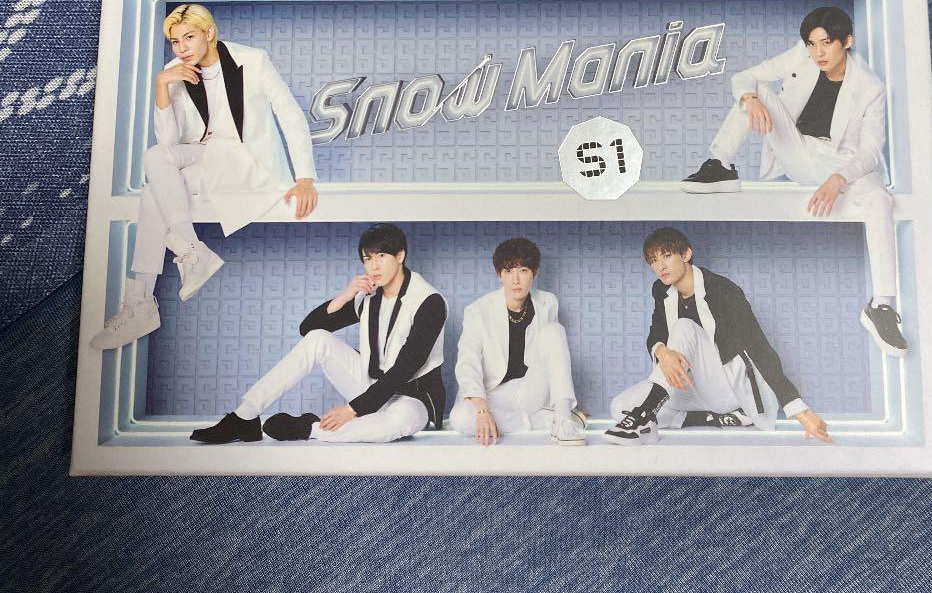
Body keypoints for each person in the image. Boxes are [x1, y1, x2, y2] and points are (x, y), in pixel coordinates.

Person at [680, 6, 906, 356]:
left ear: (847, 41)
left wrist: (838, 178)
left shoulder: (870, 87)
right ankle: (720, 164)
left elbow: (872, 151)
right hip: (798, 149)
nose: (818, 52)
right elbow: (745, 76)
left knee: (880, 200)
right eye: (812, 44)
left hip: (843, 163)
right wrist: (751, 99)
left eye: (826, 43)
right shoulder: (803, 57)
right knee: (754, 89)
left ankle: (882, 306)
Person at [91, 3, 318, 350]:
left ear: (209, 33)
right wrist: (162, 86)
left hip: (246, 163)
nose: (181, 48)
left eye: (189, 37)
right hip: (203, 157)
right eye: (174, 41)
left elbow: (290, 114)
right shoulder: (174, 71)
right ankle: (190, 252)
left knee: (152, 192)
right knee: (155, 157)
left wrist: (304, 178)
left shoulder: (253, 60)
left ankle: (142, 302)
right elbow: (167, 142)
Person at [190, 223, 446, 444]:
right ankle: (244, 417)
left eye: (381, 256)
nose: (373, 266)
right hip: (370, 385)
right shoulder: (368, 296)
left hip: (411, 397)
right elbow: (308, 329)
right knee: (318, 340)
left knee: (398, 422)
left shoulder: (428, 301)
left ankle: (309, 428)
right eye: (367, 258)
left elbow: (404, 368)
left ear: (400, 256)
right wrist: (346, 295)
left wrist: (352, 409)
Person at [604, 228, 832, 446]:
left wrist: (800, 411)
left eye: (666, 256)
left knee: (683, 327)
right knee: (620, 406)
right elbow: (656, 333)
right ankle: (709, 418)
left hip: (726, 387)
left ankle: (644, 418)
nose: (660, 266)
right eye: (654, 260)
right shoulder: (661, 290)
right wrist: (662, 352)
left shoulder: (724, 291)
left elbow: (759, 348)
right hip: (692, 387)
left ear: (686, 254)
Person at [449, 237, 587, 446]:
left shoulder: (548, 302)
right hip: (495, 394)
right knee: (460, 418)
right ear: (499, 275)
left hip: (532, 389)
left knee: (554, 331)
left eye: (522, 270)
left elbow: (554, 358)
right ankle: (542, 420)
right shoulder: (478, 311)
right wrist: (483, 410)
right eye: (508, 271)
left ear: (534, 273)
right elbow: (468, 363)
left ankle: (562, 420)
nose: (515, 280)